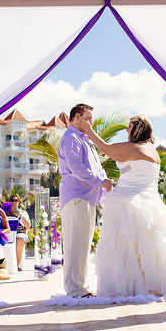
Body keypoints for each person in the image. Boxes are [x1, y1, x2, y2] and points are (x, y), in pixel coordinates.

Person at [83, 115, 166, 299]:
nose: (127, 130)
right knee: (146, 248)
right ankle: (144, 286)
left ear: (138, 129)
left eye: (130, 126)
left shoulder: (136, 148)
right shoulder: (150, 149)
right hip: (146, 201)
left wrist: (89, 130)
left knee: (131, 246)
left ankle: (134, 288)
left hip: (132, 202)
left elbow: (105, 148)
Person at [58, 103, 112, 298]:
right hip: (76, 196)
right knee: (75, 245)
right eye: (88, 118)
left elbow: (95, 167)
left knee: (83, 244)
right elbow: (77, 168)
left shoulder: (83, 139)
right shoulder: (71, 138)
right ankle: (74, 289)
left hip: (86, 197)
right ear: (77, 117)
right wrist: (100, 181)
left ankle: (79, 286)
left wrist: (105, 183)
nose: (91, 122)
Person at [6, 194, 31, 271]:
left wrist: (21, 215)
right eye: (12, 200)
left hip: (20, 233)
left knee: (19, 239)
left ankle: (18, 264)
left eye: (16, 200)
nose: (14, 202)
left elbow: (28, 226)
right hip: (8, 234)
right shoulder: (5, 213)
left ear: (19, 202)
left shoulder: (23, 212)